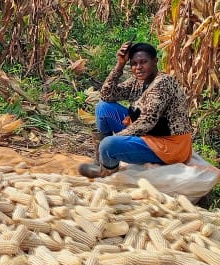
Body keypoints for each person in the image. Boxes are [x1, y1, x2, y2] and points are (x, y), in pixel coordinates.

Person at [79, 41, 193, 178]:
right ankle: (102, 162)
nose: (138, 67)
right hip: (146, 134)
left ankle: (107, 170)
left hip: (167, 144)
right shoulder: (138, 81)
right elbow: (107, 95)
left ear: (155, 61)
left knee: (108, 144)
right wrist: (119, 65)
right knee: (103, 107)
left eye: (143, 62)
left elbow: (146, 122)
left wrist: (116, 139)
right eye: (133, 63)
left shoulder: (163, 83)